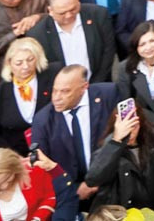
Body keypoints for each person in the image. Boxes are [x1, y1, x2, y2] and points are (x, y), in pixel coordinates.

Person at [28, 65, 115, 221]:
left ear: (84, 87)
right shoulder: (42, 120)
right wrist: (74, 189)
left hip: (112, 188)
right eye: (55, 90)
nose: (56, 98)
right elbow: (42, 170)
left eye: (65, 91)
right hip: (71, 198)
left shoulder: (109, 94)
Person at [84, 99, 154, 217]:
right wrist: (116, 142)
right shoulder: (108, 149)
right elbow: (93, 179)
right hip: (122, 214)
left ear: (141, 124)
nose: (130, 132)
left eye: (134, 126)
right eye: (126, 127)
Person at [29, 0, 117, 86]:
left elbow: (108, 50)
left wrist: (96, 83)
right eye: (62, 13)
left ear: (79, 3)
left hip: (99, 83)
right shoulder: (38, 34)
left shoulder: (98, 15)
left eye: (73, 9)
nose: (68, 15)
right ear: (50, 11)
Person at [0, 37, 50, 153]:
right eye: (19, 63)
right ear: (9, 63)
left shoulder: (51, 79)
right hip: (17, 157)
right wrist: (11, 156)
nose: (25, 66)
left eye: (30, 60)